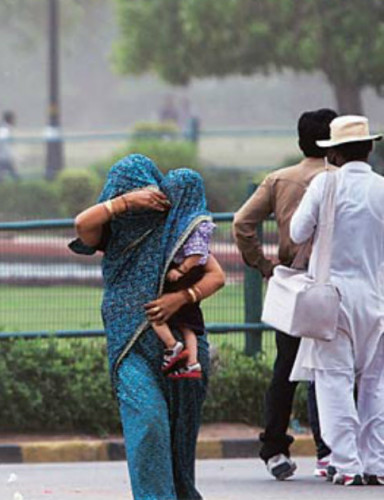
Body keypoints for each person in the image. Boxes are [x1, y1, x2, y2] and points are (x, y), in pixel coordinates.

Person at [71, 154, 226, 499]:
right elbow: (82, 225)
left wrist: (182, 297)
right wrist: (124, 203)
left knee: (181, 432)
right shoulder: (111, 233)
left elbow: (217, 275)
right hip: (129, 343)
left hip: (184, 346)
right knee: (149, 422)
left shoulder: (174, 230)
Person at [233, 108, 337, 480]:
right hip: (338, 282)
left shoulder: (280, 179)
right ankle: (332, 449)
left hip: (294, 282)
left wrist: (263, 265)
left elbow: (242, 223)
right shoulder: (344, 180)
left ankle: (274, 447)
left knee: (287, 368)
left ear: (300, 140)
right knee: (338, 369)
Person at [289, 115, 384, 487]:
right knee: (375, 383)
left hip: (332, 298)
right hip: (377, 297)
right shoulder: (382, 187)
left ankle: (346, 464)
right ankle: (377, 461)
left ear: (335, 153)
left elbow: (298, 232)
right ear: (370, 148)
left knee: (334, 382)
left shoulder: (324, 185)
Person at [150, 172, 219, 380]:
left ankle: (172, 346)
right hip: (187, 279)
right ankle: (192, 363)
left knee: (155, 312)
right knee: (187, 324)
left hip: (182, 277)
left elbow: (200, 256)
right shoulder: (193, 219)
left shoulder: (190, 223)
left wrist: (181, 272)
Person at [0, 111, 19, 185]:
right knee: (14, 177)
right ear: (9, 119)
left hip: (2, 157)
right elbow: (2, 146)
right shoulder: (4, 130)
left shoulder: (6, 129)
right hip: (4, 157)